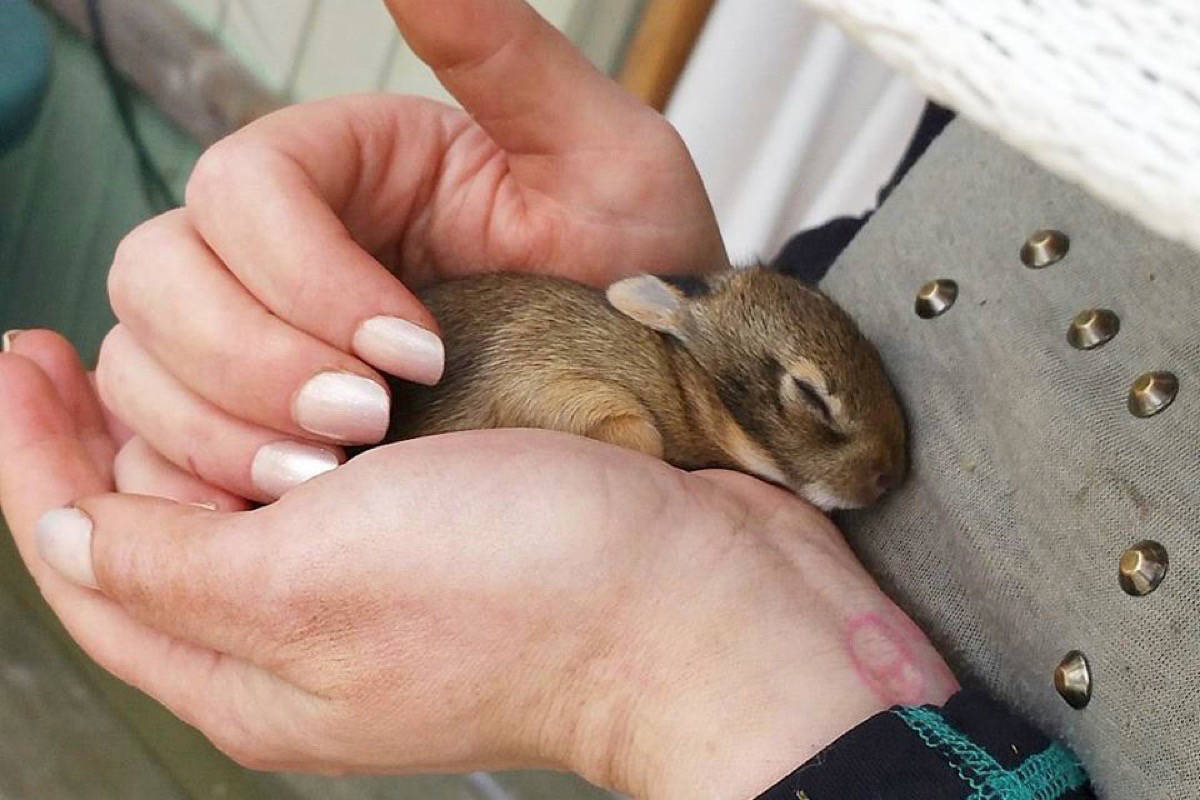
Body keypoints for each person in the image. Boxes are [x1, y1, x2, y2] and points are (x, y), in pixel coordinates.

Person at [0, 0, 1111, 797]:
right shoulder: (645, 361)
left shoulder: (686, 408)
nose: (871, 466)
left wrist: (636, 657)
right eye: (814, 408)